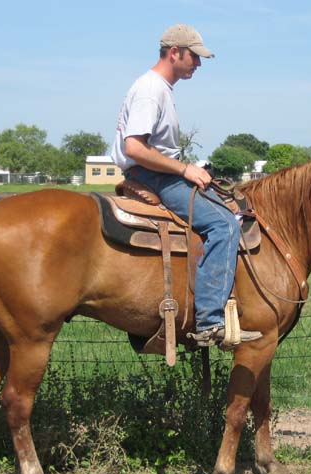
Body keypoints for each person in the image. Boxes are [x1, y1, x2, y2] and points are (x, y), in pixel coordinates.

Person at [111, 24, 262, 347]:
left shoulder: (161, 88)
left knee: (228, 210)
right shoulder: (152, 90)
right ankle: (210, 321)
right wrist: (185, 169)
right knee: (223, 224)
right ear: (174, 52)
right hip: (154, 176)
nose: (199, 63)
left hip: (158, 173)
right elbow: (134, 147)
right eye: (194, 56)